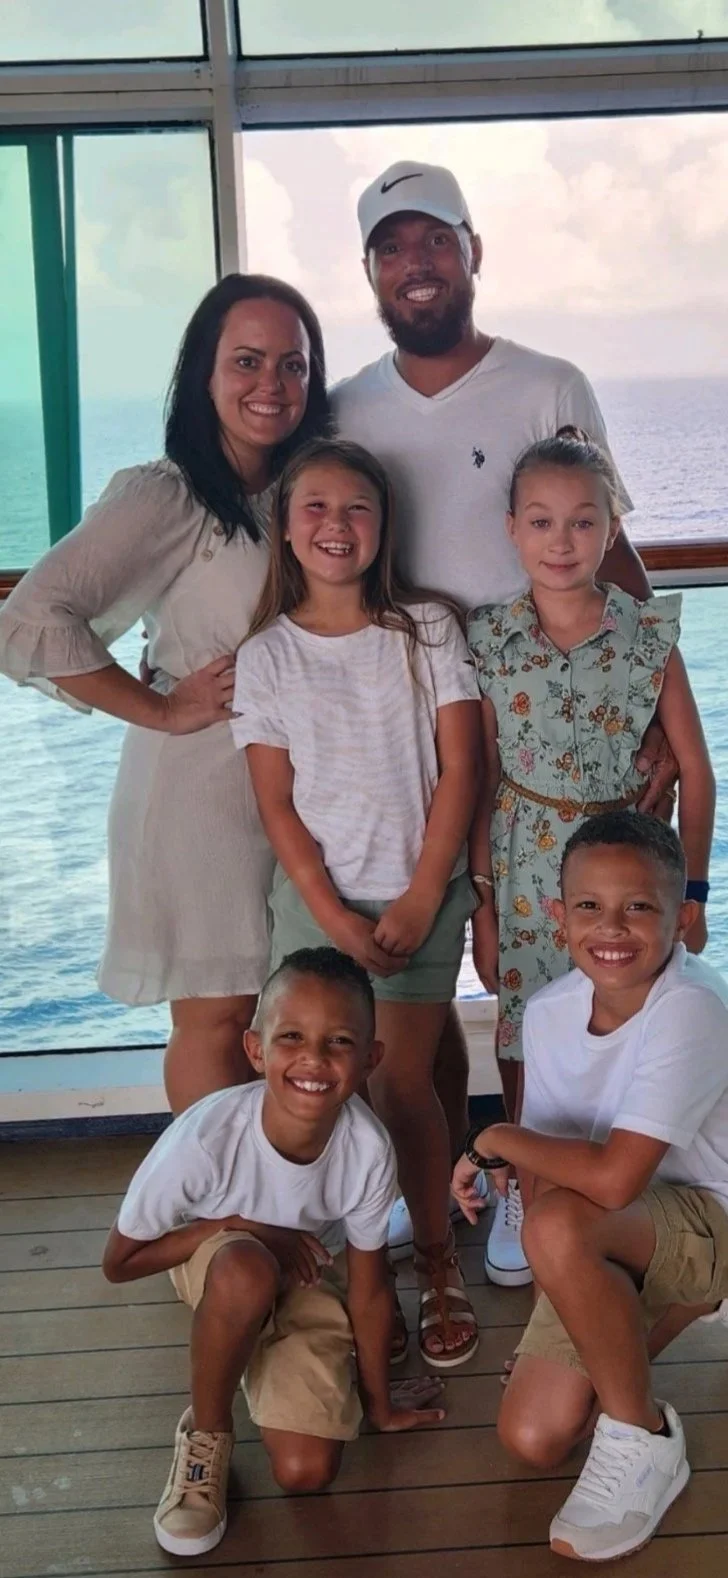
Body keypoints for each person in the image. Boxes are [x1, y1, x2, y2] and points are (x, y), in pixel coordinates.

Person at [332, 157, 675, 1275]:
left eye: (436, 238)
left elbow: (611, 546)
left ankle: (582, 1187)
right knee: (432, 971)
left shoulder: (549, 382)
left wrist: (652, 712)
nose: (416, 263)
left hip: (541, 729)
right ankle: (440, 1190)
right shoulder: (347, 406)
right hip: (404, 729)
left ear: (473, 250)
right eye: (392, 246)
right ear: (371, 272)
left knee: (575, 968)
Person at [0, 274, 331, 1113]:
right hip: (201, 787)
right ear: (203, 376)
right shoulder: (169, 492)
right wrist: (160, 707)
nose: (271, 384)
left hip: (298, 783)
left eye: (292, 364)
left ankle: (274, 1187)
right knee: (219, 1016)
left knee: (288, 1006)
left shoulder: (303, 488)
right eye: (247, 361)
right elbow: (30, 617)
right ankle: (214, 1195)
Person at [231, 436, 482, 1370]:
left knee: (400, 1084)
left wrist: (422, 893)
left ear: (384, 524)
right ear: (286, 527)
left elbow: (462, 769)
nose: (337, 526)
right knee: (314, 1086)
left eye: (357, 508)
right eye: (316, 508)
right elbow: (277, 806)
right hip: (316, 907)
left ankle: (435, 1257)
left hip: (421, 895)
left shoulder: (427, 630)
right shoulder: (266, 656)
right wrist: (333, 917)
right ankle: (327, 1256)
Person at [467, 426, 714, 1285]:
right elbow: (483, 775)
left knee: (633, 1009)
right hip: (526, 857)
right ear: (513, 530)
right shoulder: (491, 638)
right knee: (523, 1023)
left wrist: (694, 892)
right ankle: (523, 1186)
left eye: (583, 521)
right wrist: (483, 903)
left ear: (612, 530)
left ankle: (629, 1174)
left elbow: (698, 770)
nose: (562, 541)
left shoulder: (646, 637)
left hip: (626, 859)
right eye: (541, 521)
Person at [103, 946, 445, 1558]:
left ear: (370, 1059)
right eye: (291, 1036)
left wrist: (380, 1405)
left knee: (306, 1471)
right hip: (219, 1256)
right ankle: (206, 1434)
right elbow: (120, 1263)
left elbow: (369, 1287)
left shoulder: (367, 1148)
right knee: (245, 1272)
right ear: (256, 1049)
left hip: (311, 1272)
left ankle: (247, 1348)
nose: (314, 1058)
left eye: (339, 1041)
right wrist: (238, 1225)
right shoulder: (206, 1138)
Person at [451, 812, 728, 1563]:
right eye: (588, 906)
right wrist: (561, 1306)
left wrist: (491, 1137)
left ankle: (646, 1439)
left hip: (708, 1218)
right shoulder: (548, 1014)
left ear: (683, 918)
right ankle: (670, 1308)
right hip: (614, 1230)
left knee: (558, 1225)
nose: (611, 928)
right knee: (536, 1436)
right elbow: (544, 1180)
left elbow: (612, 1178)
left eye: (638, 906)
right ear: (558, 915)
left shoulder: (693, 1006)